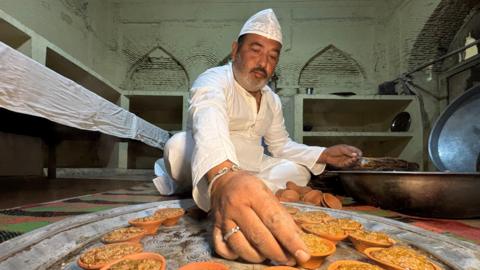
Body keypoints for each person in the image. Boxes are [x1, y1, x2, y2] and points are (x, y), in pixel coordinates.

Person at [153, 8, 362, 266]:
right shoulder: (214, 79)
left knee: (298, 172)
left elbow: (280, 145)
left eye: (272, 56)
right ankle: (224, 190)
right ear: (235, 50)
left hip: (253, 166)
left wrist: (322, 154)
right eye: (256, 50)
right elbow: (209, 116)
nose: (263, 63)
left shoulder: (272, 100)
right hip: (210, 161)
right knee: (176, 148)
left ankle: (246, 191)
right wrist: (222, 177)